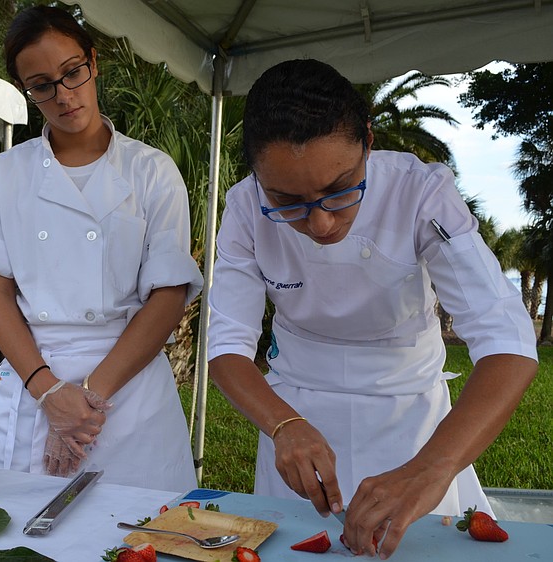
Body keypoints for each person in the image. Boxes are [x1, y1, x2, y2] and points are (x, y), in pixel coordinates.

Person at [207, 59, 538, 558]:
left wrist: (432, 468)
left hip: (411, 417)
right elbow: (227, 345)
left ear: (369, 139)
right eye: (287, 201)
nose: (319, 224)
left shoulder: (421, 191)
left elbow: (506, 340)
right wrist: (282, 424)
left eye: (339, 189)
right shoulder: (243, 208)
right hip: (296, 406)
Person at [0, 5, 202, 493]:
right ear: (28, 92)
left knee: (136, 532)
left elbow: (168, 298)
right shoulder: (4, 175)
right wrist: (50, 393)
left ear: (93, 62)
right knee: (14, 533)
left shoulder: (152, 171)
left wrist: (88, 401)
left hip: (127, 386)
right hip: (34, 379)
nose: (64, 95)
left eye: (73, 72)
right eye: (43, 84)